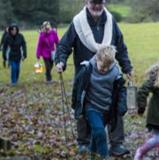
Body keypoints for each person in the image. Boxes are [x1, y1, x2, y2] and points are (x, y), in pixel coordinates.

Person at [54, 0, 133, 156]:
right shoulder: (77, 22)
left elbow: (121, 46)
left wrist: (127, 67)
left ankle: (116, 144)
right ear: (86, 2)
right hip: (86, 77)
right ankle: (83, 142)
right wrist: (61, 61)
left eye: (100, 2)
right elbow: (63, 45)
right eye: (93, 2)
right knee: (83, 107)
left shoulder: (110, 22)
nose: (97, 6)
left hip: (109, 75)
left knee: (115, 105)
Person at [72, 45, 127, 159]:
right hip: (91, 107)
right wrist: (75, 104)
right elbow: (77, 87)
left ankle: (93, 156)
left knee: (96, 135)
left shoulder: (116, 73)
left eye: (108, 67)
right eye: (102, 66)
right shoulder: (88, 69)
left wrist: (121, 105)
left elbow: (121, 90)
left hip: (107, 109)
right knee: (99, 131)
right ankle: (104, 156)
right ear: (97, 59)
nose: (104, 69)